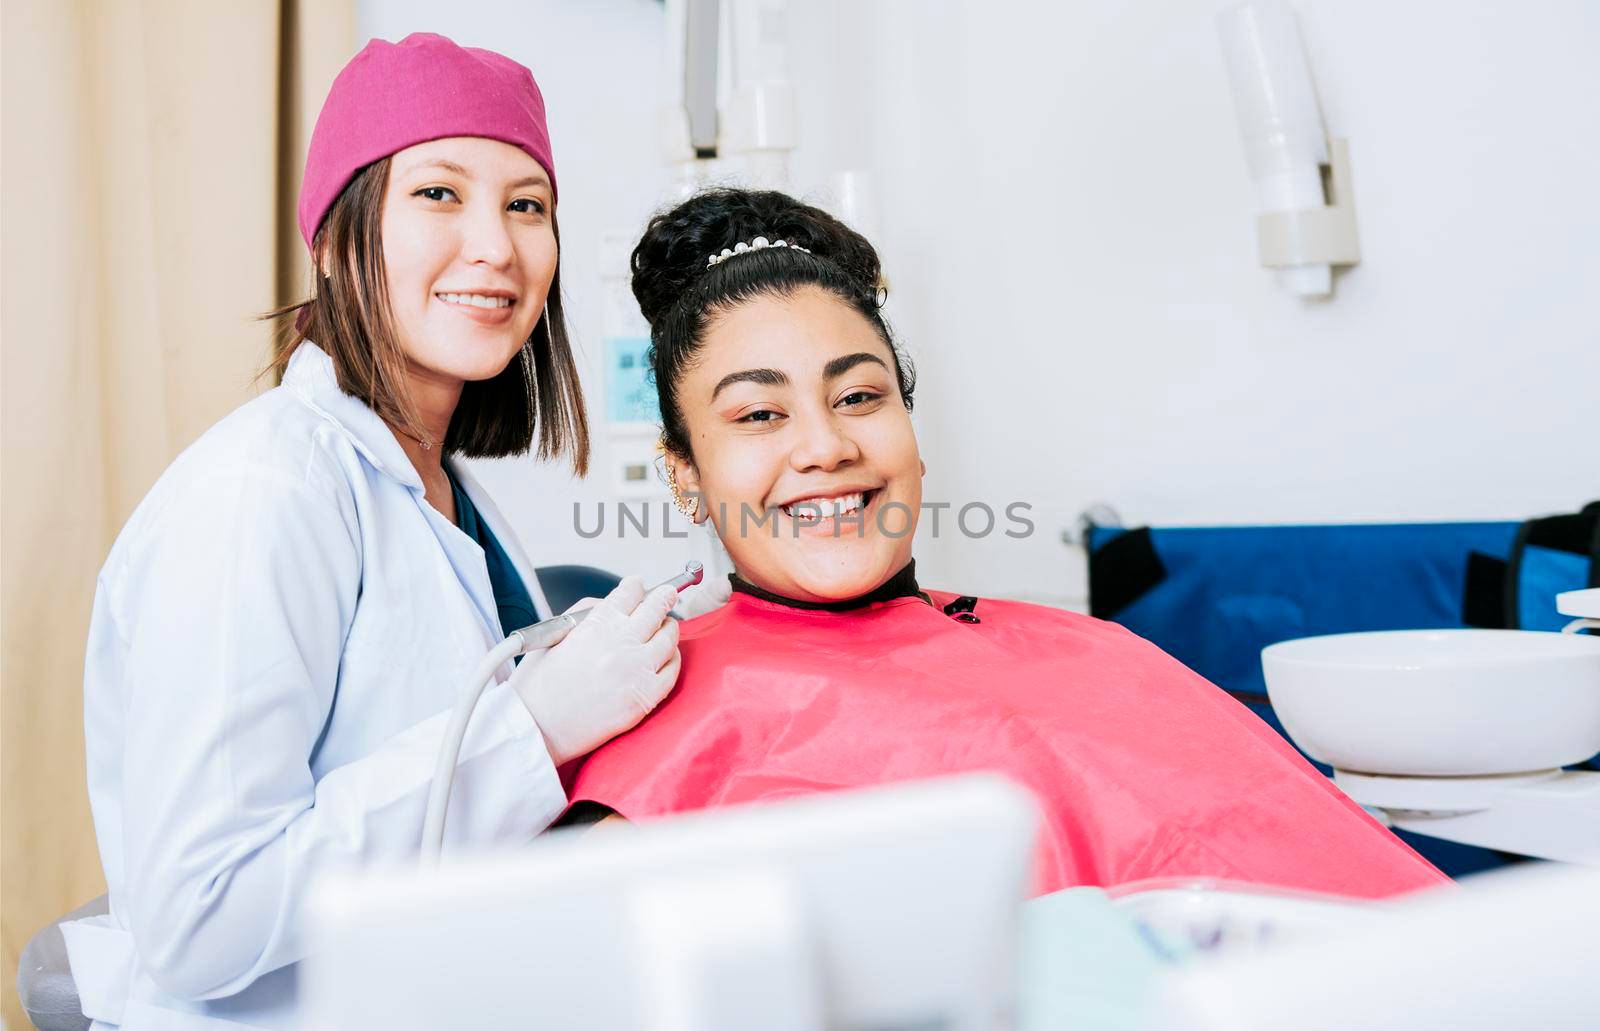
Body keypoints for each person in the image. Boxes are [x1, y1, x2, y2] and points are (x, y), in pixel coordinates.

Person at [567, 188, 1448, 900]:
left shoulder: (1098, 652)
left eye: (861, 397)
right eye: (759, 414)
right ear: (684, 471)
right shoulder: (649, 717)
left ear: (911, 427)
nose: (825, 446)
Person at [63, 34, 682, 1029]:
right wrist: (531, 728)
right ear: (337, 233)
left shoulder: (446, 489)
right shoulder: (262, 492)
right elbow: (198, 911)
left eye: (526, 204)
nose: (495, 244)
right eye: (439, 193)